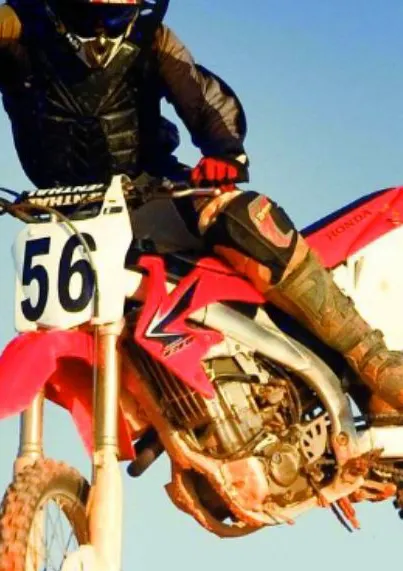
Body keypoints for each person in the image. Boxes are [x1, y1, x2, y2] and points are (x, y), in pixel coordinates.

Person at [0, 0, 402, 415]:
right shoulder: (15, 26)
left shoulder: (151, 36)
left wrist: (225, 153)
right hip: (67, 216)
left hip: (149, 191)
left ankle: (372, 359)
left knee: (239, 216)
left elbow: (202, 97)